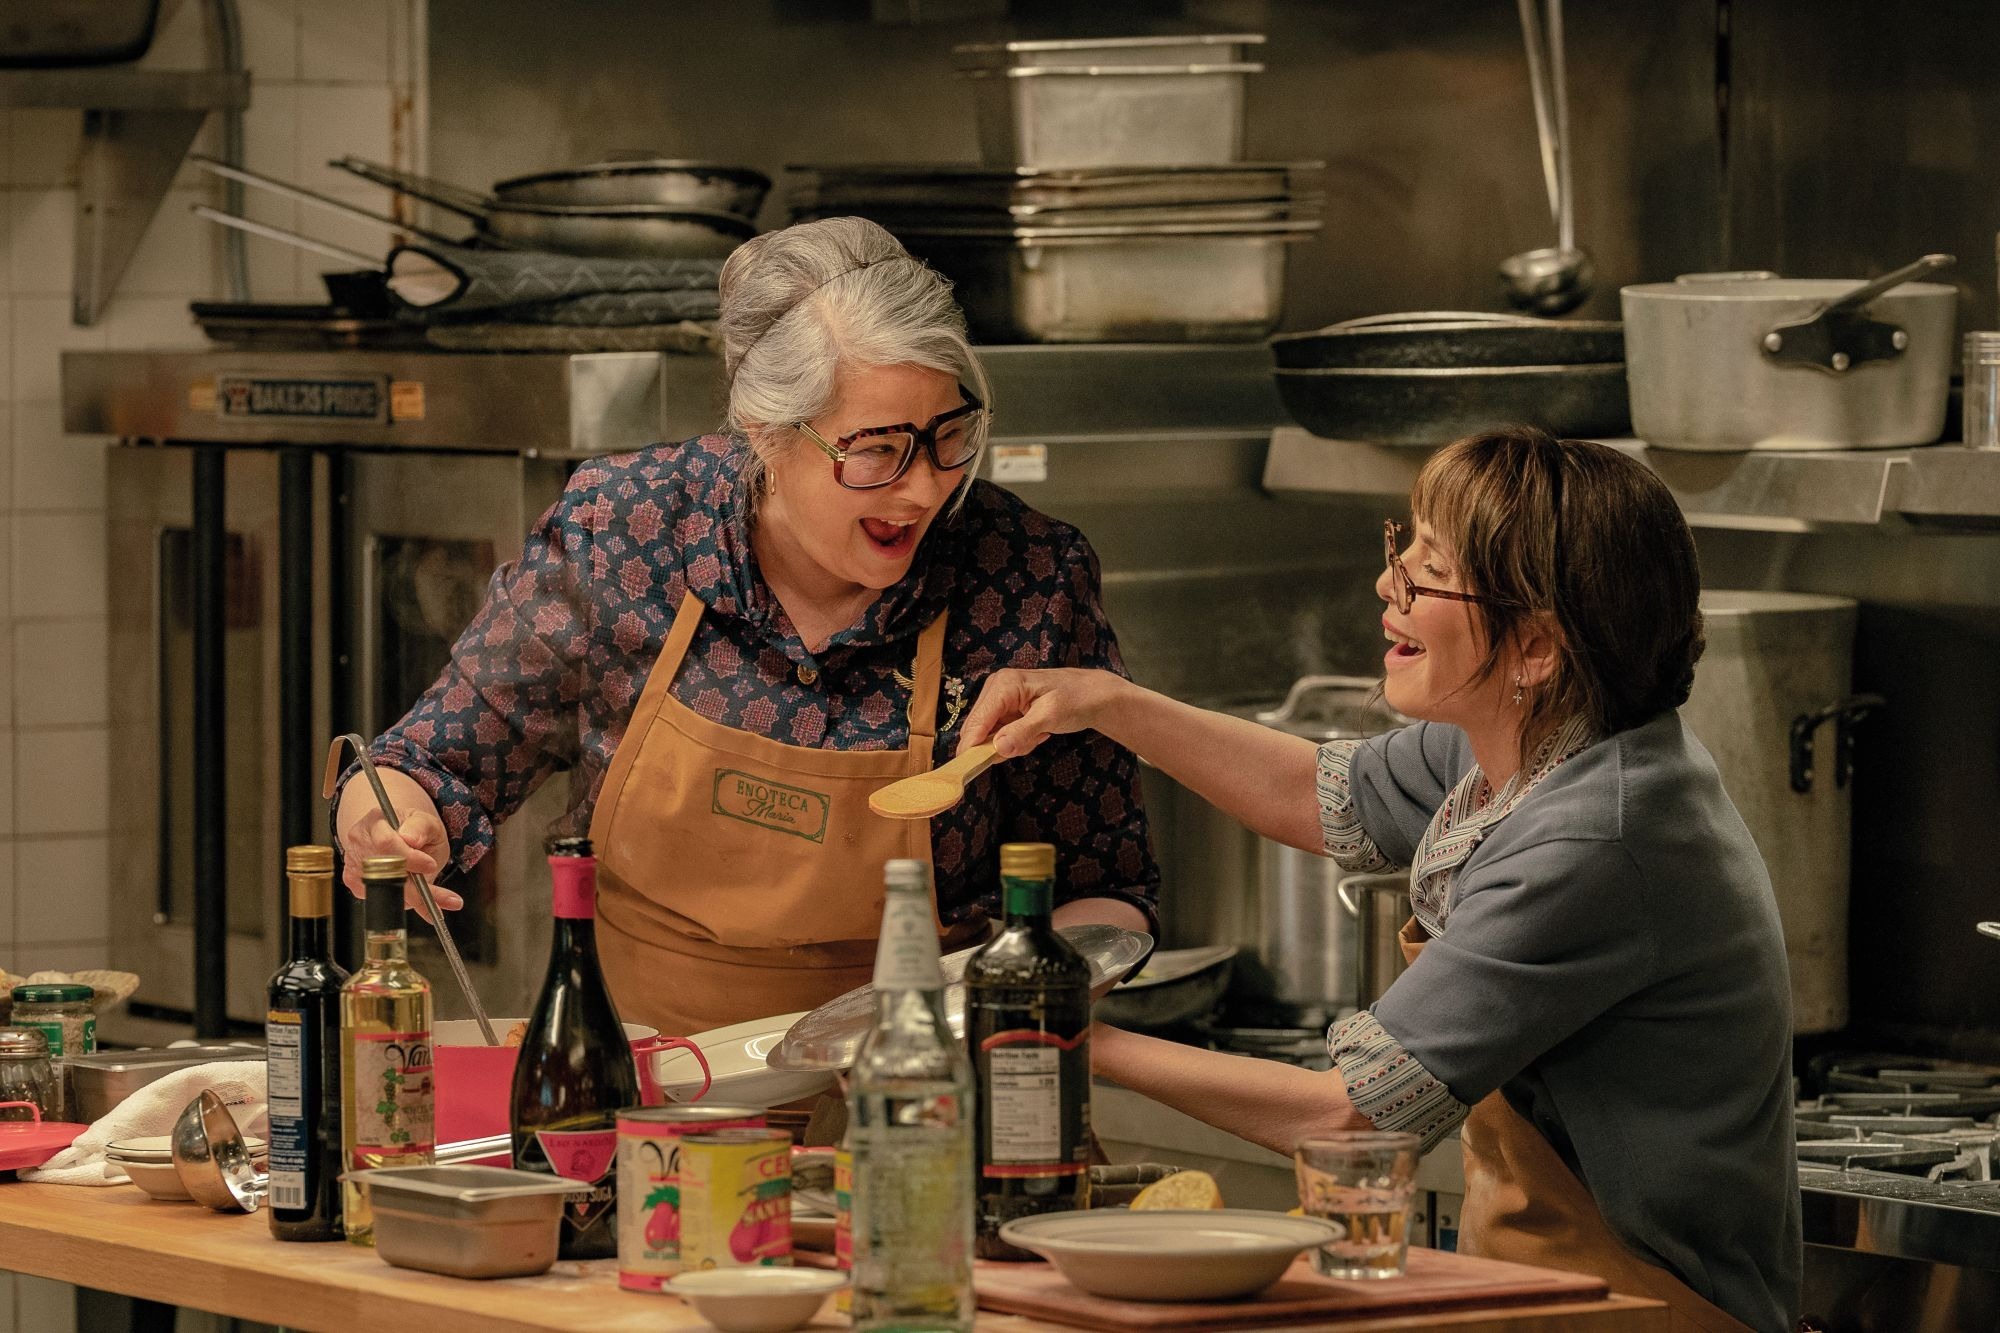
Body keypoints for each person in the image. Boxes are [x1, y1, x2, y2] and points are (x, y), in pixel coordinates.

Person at [956, 429, 1801, 1333]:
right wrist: (1106, 703)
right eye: (1404, 549)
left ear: (1537, 648)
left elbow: (1351, 1120)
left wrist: (1049, 1030)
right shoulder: (1528, 741)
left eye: (1427, 575)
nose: (1386, 587)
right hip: (1557, 1291)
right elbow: (1321, 795)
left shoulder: (1595, 840)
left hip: (1659, 1308)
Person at [335, 217, 1157, 1037]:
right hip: (645, 1099)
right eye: (876, 450)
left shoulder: (1023, 576)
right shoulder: (625, 531)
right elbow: (429, 762)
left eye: (949, 436)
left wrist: (1032, 1008)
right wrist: (390, 828)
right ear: (767, 433)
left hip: (926, 1102)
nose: (924, 490)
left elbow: (1107, 888)